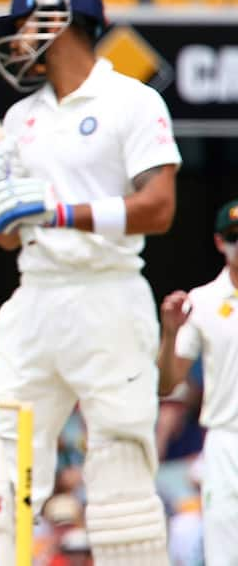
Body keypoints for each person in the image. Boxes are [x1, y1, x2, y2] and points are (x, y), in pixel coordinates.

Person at [0, 0, 181, 565]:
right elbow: (6, 235)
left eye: (27, 22)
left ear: (59, 18)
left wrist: (56, 211)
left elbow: (158, 210)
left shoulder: (131, 101)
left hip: (107, 296)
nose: (18, 39)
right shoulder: (20, 119)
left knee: (120, 472)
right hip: (35, 296)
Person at [156, 198, 238, 566]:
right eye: (235, 238)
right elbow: (167, 383)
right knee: (224, 552)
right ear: (220, 243)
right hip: (226, 439)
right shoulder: (203, 302)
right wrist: (170, 333)